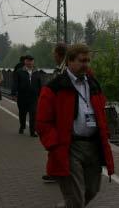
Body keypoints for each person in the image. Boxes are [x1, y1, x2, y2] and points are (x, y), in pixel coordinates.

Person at [36, 43, 114, 208]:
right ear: (70, 61)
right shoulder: (55, 87)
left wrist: (105, 134)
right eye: (81, 60)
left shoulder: (93, 84)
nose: (85, 64)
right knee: (76, 198)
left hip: (93, 146)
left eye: (87, 60)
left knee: (92, 190)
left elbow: (101, 112)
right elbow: (42, 122)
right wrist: (54, 145)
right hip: (70, 148)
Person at [42, 43, 67, 183]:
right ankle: (54, 172)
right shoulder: (62, 67)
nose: (53, 57)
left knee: (58, 143)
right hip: (59, 109)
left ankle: (58, 172)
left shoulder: (66, 68)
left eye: (54, 54)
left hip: (62, 111)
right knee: (54, 143)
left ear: (58, 54)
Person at [12, 55, 43, 137]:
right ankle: (22, 126)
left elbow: (40, 85)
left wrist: (41, 95)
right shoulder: (19, 72)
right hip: (22, 97)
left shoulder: (37, 72)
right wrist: (14, 93)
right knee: (22, 113)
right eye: (28, 61)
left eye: (31, 61)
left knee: (33, 114)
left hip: (33, 97)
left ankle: (32, 131)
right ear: (25, 62)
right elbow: (15, 83)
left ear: (33, 62)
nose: (29, 63)